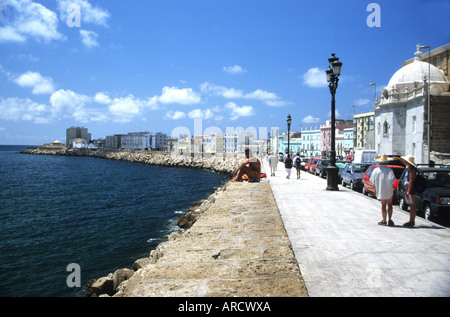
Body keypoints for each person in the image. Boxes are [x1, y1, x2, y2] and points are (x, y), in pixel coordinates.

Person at [370, 154, 396, 226]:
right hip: (389, 189)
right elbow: (393, 180)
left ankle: (384, 220)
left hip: (380, 189)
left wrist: (375, 189)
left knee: (383, 205)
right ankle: (390, 220)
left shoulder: (376, 170)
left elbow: (372, 181)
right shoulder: (389, 170)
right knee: (390, 205)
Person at [395, 155, 417, 227]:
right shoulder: (409, 167)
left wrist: (408, 191)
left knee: (412, 206)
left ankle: (411, 221)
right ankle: (411, 220)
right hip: (408, 187)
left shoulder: (412, 169)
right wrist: (399, 159)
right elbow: (404, 163)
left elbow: (411, 180)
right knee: (411, 205)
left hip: (410, 188)